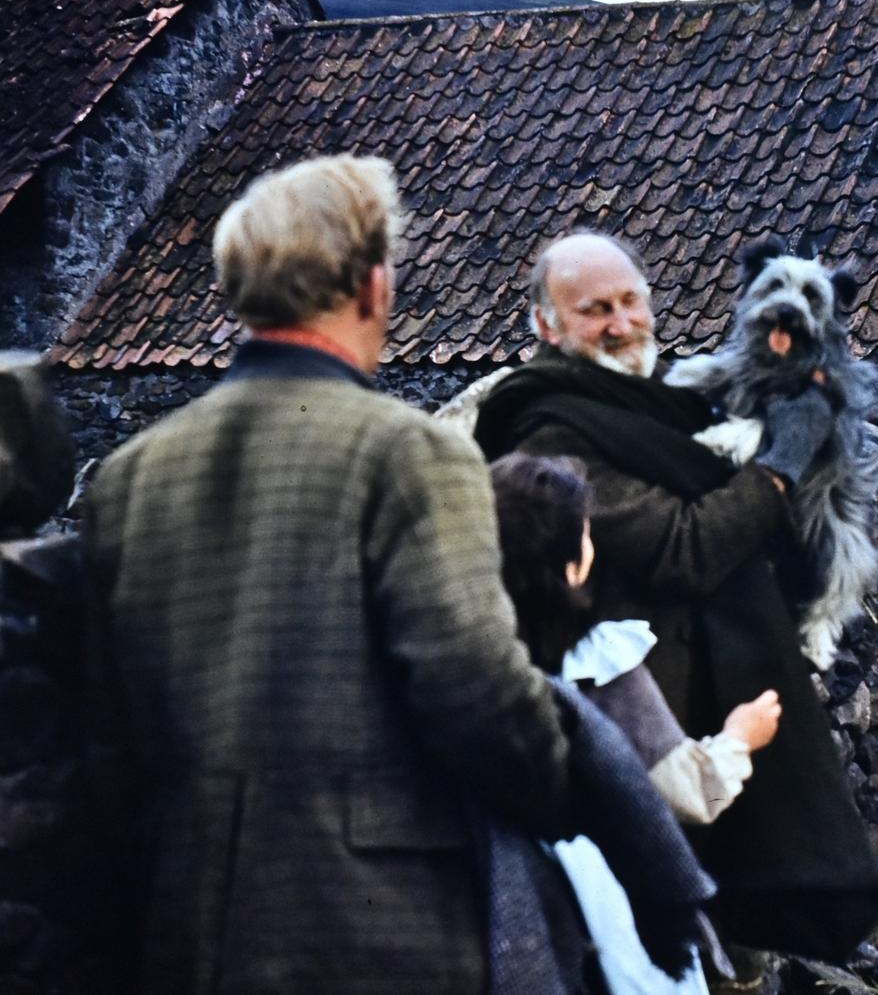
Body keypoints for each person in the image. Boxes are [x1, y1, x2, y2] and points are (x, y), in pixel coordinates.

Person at [81, 155, 575, 994]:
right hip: (376, 926)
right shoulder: (412, 453)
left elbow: (104, 724)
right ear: (374, 286)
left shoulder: (128, 474)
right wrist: (565, 794)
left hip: (179, 924)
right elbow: (480, 694)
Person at [474, 230, 878, 967]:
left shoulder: (659, 404)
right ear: (547, 325)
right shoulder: (547, 435)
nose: (621, 322)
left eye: (631, 300)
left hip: (706, 688)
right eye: (593, 309)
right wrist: (780, 463)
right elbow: (686, 547)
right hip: (644, 713)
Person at [488, 451, 781, 994]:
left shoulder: (464, 669)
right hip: (609, 907)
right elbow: (684, 793)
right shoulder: (602, 667)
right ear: (573, 564)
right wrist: (741, 737)